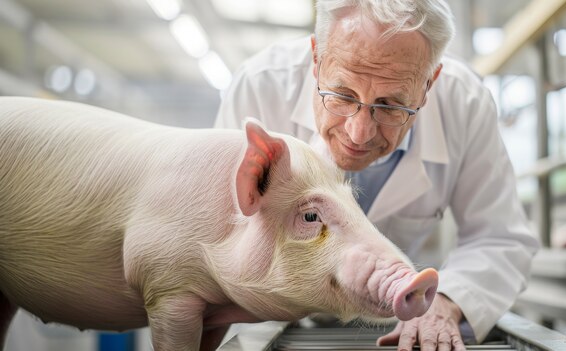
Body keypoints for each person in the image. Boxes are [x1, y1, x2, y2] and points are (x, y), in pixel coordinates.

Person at [214, 0, 539, 350]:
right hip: (273, 312)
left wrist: (446, 301)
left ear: (429, 85)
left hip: (396, 314)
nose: (359, 133)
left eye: (389, 105)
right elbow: (220, 233)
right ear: (316, 59)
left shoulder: (465, 104)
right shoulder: (259, 89)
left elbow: (500, 238)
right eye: (341, 95)